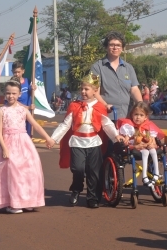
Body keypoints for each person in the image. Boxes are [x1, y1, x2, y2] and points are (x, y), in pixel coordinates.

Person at [51, 73, 124, 209]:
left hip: (94, 142)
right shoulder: (74, 105)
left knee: (94, 171)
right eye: (82, 89)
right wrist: (53, 139)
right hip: (77, 142)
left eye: (87, 89)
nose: (83, 92)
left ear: (95, 91)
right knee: (78, 168)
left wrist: (116, 136)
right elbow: (65, 124)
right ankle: (76, 189)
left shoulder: (100, 107)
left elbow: (107, 124)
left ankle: (92, 198)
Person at [0, 80, 55, 214]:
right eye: (8, 93)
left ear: (19, 94)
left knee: (29, 171)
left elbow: (35, 125)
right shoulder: (2, 111)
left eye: (14, 93)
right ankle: (13, 203)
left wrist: (48, 138)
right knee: (13, 173)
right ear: (4, 94)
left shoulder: (23, 110)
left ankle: (27, 201)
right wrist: (4, 148)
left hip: (24, 143)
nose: (11, 96)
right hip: (8, 143)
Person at [91, 31, 142, 119]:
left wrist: (141, 106)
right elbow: (94, 92)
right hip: (106, 117)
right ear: (106, 47)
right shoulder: (96, 67)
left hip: (127, 117)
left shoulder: (128, 68)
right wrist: (105, 105)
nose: (115, 48)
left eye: (118, 45)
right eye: (112, 45)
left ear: (122, 48)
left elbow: (134, 89)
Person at [118, 102, 165, 189]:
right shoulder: (129, 126)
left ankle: (156, 173)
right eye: (136, 114)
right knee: (145, 152)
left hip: (145, 146)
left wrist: (151, 144)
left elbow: (152, 138)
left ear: (145, 117)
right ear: (132, 115)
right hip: (134, 147)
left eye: (141, 115)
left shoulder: (148, 126)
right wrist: (133, 145)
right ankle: (144, 176)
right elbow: (127, 141)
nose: (138, 117)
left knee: (152, 150)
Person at [11, 61, 35, 136]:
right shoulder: (11, 84)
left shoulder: (28, 81)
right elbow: (12, 101)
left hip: (27, 113)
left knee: (28, 134)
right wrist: (26, 107)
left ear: (23, 71)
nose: (17, 74)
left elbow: (31, 94)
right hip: (16, 113)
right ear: (12, 71)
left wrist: (33, 89)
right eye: (15, 72)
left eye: (18, 72)